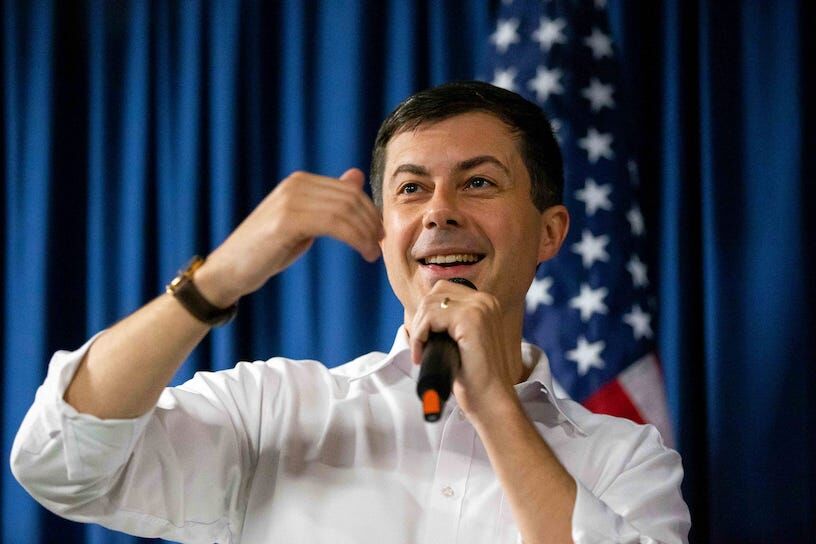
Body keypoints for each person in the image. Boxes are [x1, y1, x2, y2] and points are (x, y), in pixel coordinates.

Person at [11, 81, 690, 543]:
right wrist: (216, 278)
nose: (440, 211)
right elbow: (57, 461)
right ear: (384, 227)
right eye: (412, 188)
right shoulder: (272, 410)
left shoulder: (627, 460)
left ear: (549, 232)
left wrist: (493, 405)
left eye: (478, 182)